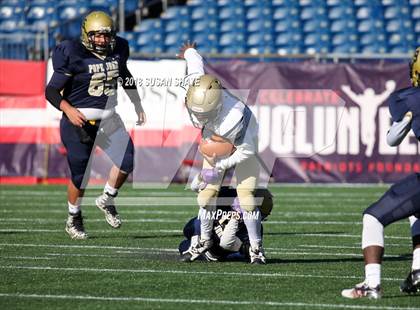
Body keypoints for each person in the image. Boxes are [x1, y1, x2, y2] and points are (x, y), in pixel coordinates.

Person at [45, 11, 146, 239]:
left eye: (105, 36)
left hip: (109, 120)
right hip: (79, 123)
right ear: (86, 34)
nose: (101, 40)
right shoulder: (72, 53)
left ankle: (107, 198)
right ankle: (73, 216)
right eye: (96, 36)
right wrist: (68, 109)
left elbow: (125, 76)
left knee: (127, 161)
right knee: (81, 175)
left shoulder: (119, 48)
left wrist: (137, 103)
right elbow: (51, 90)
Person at [177, 42, 267, 264]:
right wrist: (189, 51)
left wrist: (219, 166)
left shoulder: (234, 117)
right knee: (205, 195)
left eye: (205, 113)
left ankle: (256, 249)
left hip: (242, 146)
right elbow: (196, 65)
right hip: (215, 142)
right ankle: (205, 240)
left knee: (246, 198)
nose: (199, 117)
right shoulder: (196, 87)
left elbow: (247, 151)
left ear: (217, 106)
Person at [341, 47, 420, 299]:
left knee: (372, 218)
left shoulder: (410, 98)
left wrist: (407, 118)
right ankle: (418, 270)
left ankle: (372, 284)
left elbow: (393, 138)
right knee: (416, 212)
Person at [179, 180, 273, 262]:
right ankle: (202, 241)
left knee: (183, 246)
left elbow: (234, 248)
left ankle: (208, 252)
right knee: (189, 228)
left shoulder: (254, 228)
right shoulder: (229, 194)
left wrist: (232, 230)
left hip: (215, 250)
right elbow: (200, 191)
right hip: (206, 228)